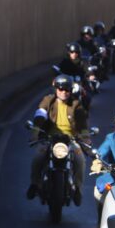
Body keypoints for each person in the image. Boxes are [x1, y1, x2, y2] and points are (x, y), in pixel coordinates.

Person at [29, 75, 88, 205]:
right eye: (60, 89)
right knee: (38, 157)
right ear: (56, 89)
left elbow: (83, 123)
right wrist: (36, 131)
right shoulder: (48, 101)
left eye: (67, 89)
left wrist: (86, 137)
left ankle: (77, 189)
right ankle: (35, 184)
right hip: (49, 138)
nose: (63, 92)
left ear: (71, 90)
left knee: (80, 160)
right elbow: (40, 114)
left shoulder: (76, 104)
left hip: (71, 140)